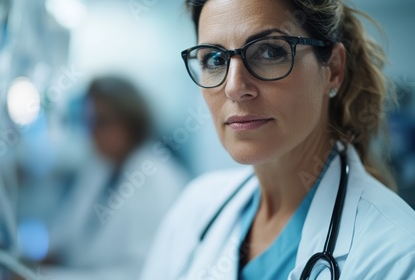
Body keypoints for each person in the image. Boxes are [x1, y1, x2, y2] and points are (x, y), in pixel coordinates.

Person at [140, 0, 415, 279]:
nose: (234, 88)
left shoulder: (397, 255)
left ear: (332, 69)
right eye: (215, 59)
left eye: (270, 52)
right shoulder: (194, 210)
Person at [47, 76, 189, 279]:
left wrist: (47, 276)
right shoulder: (100, 169)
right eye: (89, 121)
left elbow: (141, 272)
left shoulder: (157, 180)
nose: (92, 133)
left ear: (129, 122)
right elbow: (66, 236)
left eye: (101, 122)